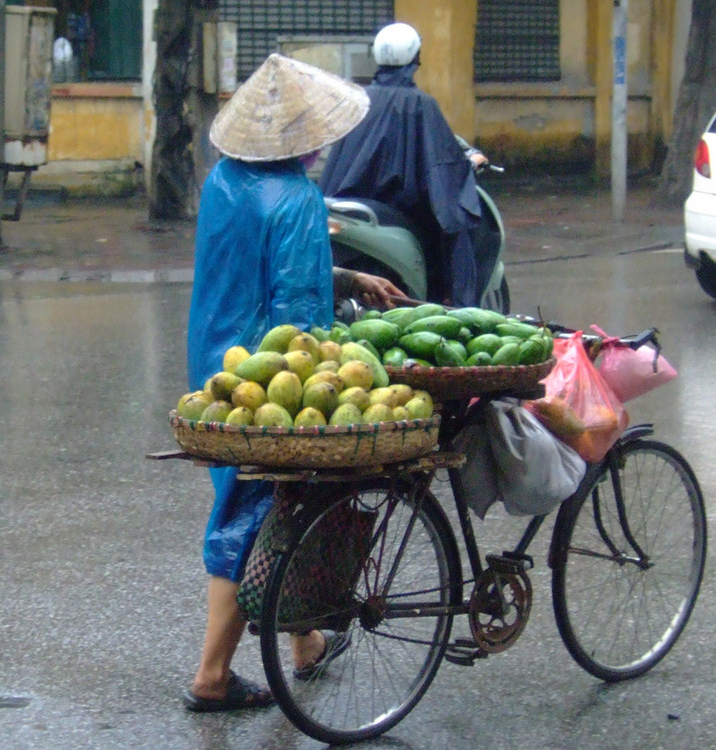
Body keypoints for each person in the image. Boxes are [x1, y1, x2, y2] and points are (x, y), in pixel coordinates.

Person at [182, 53, 402, 712]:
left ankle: (303, 644)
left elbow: (252, 265)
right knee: (252, 512)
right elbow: (300, 321)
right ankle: (212, 678)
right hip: (269, 380)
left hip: (218, 366)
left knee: (278, 505)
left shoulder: (223, 181)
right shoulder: (301, 199)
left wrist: (346, 277)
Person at [319, 22, 489, 308]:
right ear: (415, 57)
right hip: (402, 210)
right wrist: (468, 164)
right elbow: (442, 167)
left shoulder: (359, 100)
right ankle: (456, 304)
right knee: (454, 223)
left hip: (355, 206)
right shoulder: (422, 105)